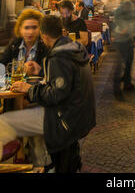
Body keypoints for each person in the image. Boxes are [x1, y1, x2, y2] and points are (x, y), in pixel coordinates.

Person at [0, 15, 96, 172]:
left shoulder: (59, 56)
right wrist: (41, 75)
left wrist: (29, 89)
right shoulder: (73, 48)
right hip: (78, 115)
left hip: (63, 118)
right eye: (27, 28)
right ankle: (43, 165)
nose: (30, 32)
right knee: (30, 118)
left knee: (3, 122)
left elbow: (56, 94)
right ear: (63, 31)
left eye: (34, 28)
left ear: (43, 35)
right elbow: (61, 85)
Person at [112, 0, 135, 100]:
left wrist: (134, 36)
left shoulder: (133, 5)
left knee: (129, 61)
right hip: (122, 38)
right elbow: (117, 14)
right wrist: (123, 27)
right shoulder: (127, 4)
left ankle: (127, 83)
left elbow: (134, 20)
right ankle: (117, 90)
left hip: (129, 37)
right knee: (121, 64)